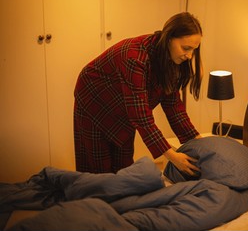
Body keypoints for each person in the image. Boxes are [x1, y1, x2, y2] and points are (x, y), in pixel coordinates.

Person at [73, 12, 203, 176]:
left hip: (124, 107)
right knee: (99, 170)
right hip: (94, 102)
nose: (190, 55)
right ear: (169, 38)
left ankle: (119, 199)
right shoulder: (135, 57)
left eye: (194, 50)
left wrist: (197, 141)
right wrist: (171, 156)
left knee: (124, 166)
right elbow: (141, 117)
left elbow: (174, 107)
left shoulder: (171, 58)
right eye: (186, 48)